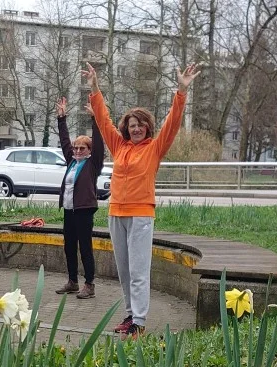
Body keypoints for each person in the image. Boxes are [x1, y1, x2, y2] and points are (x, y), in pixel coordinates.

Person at [85, 62, 200, 337]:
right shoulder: (119, 146)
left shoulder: (154, 148)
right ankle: (129, 315)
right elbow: (103, 121)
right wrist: (95, 88)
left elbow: (172, 123)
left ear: (148, 127)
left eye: (140, 125)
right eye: (132, 125)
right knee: (123, 271)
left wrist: (181, 91)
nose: (136, 129)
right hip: (116, 213)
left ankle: (139, 321)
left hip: (140, 215)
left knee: (139, 271)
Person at [54, 97, 104, 300]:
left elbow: (99, 142)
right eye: (76, 148)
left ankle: (89, 284)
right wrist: (61, 118)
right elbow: (65, 140)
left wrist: (95, 119)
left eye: (82, 148)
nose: (77, 150)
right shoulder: (72, 162)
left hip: (84, 211)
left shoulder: (93, 164)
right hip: (69, 210)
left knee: (85, 248)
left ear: (89, 151)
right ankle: (72, 281)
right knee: (69, 247)